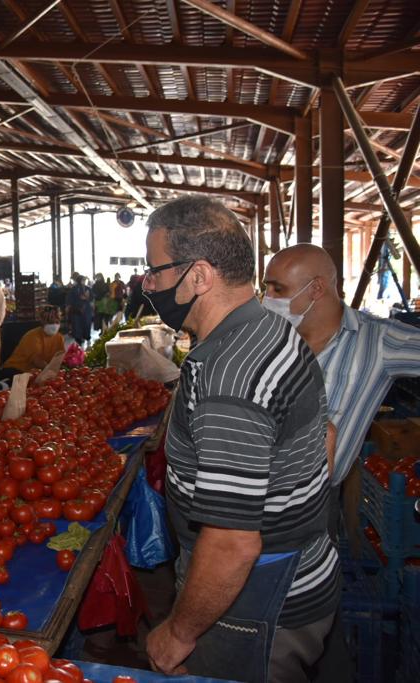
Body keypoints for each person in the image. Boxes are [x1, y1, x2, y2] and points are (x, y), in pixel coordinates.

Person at [142, 197, 338, 683]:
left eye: (156, 272)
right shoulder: (268, 327)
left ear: (199, 276)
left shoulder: (230, 376)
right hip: (296, 568)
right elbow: (326, 435)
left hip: (256, 602)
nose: (148, 286)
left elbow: (231, 543)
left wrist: (180, 634)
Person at [263, 244, 420, 489]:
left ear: (316, 288)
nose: (267, 298)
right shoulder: (265, 339)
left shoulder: (378, 340)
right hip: (247, 493)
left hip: (314, 502)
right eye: (266, 287)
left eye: (278, 289)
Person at [0, 306, 65, 380]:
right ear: (42, 321)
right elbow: (37, 361)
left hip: (38, 373)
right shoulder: (33, 336)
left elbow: (60, 357)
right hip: (17, 370)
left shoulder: (59, 338)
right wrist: (53, 372)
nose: (54, 325)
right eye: (50, 322)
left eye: (57, 322)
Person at [67, 274, 94, 346]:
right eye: (83, 280)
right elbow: (70, 299)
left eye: (84, 280)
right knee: (79, 325)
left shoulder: (87, 288)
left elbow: (91, 298)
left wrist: (87, 298)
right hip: (79, 309)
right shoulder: (75, 289)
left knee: (84, 324)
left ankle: (84, 338)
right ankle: (81, 339)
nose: (84, 281)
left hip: (83, 310)